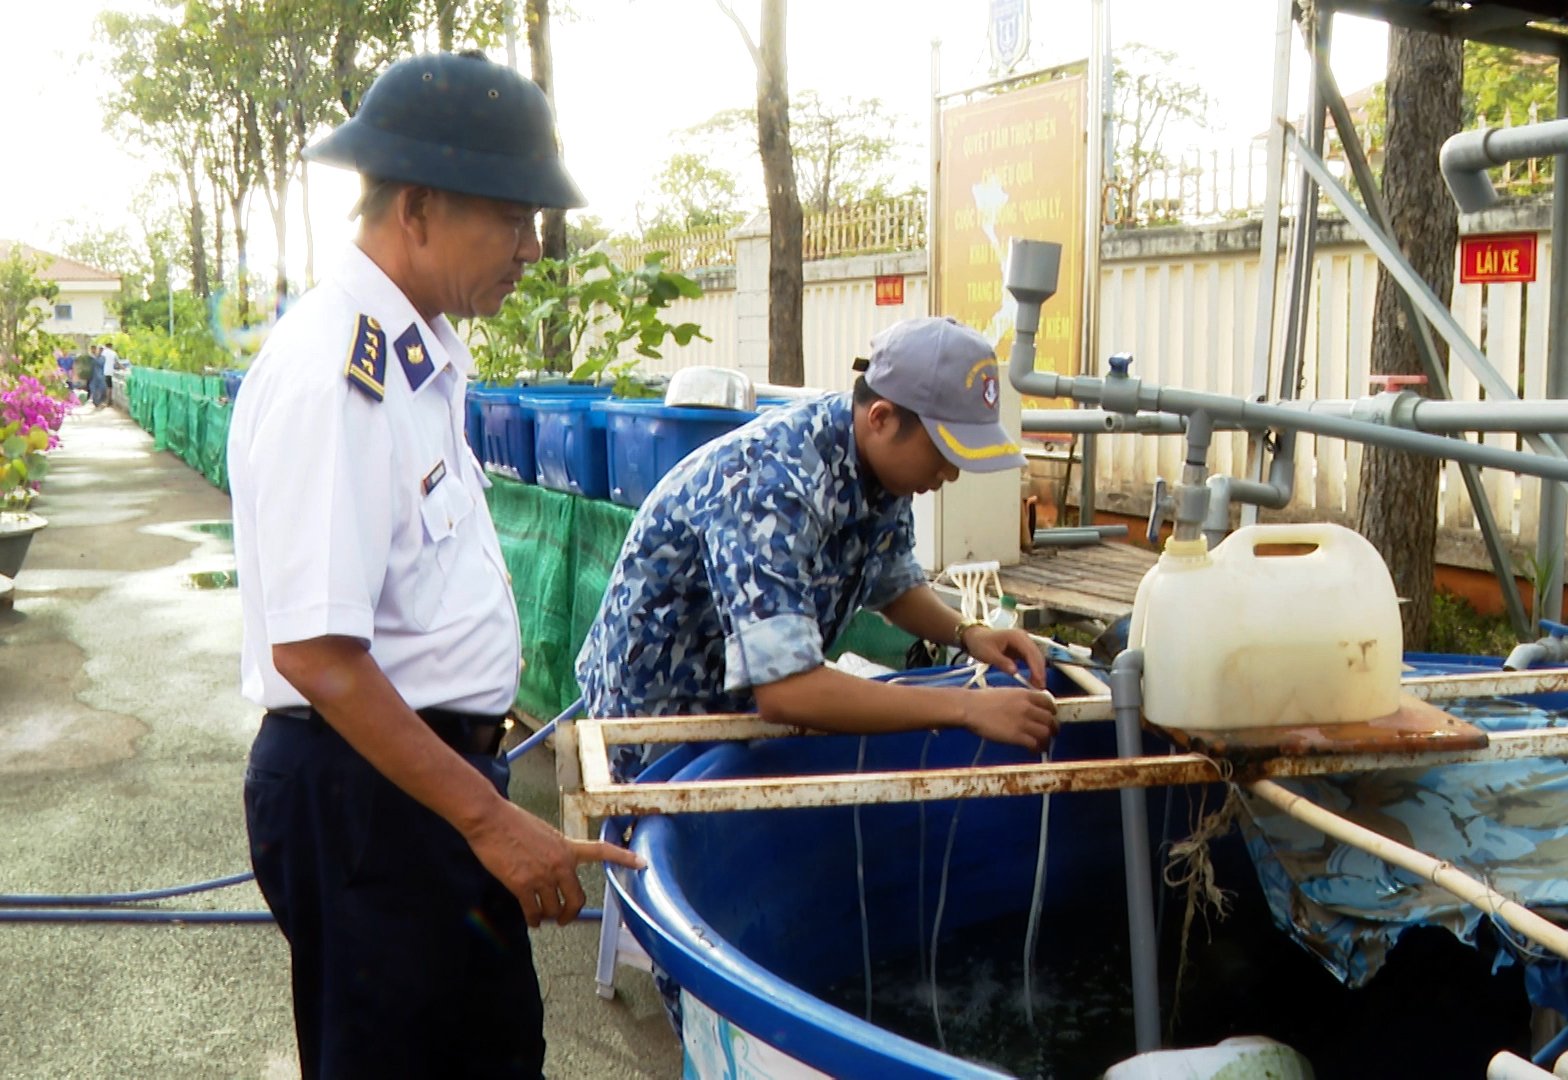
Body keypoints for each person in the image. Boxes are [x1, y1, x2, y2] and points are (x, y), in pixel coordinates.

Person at [226, 51, 643, 1079]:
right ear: (417, 207)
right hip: (368, 795)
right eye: (513, 217)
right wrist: (493, 822)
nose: (532, 248)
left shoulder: (415, 357)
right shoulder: (341, 374)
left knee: (487, 1050)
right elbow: (320, 657)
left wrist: (479, 801)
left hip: (421, 781)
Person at [576, 315, 1059, 782]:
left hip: (733, 713)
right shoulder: (770, 486)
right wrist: (967, 709)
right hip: (656, 723)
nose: (950, 473)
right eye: (943, 452)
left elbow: (891, 583)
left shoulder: (880, 471)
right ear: (882, 418)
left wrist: (968, 634)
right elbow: (789, 692)